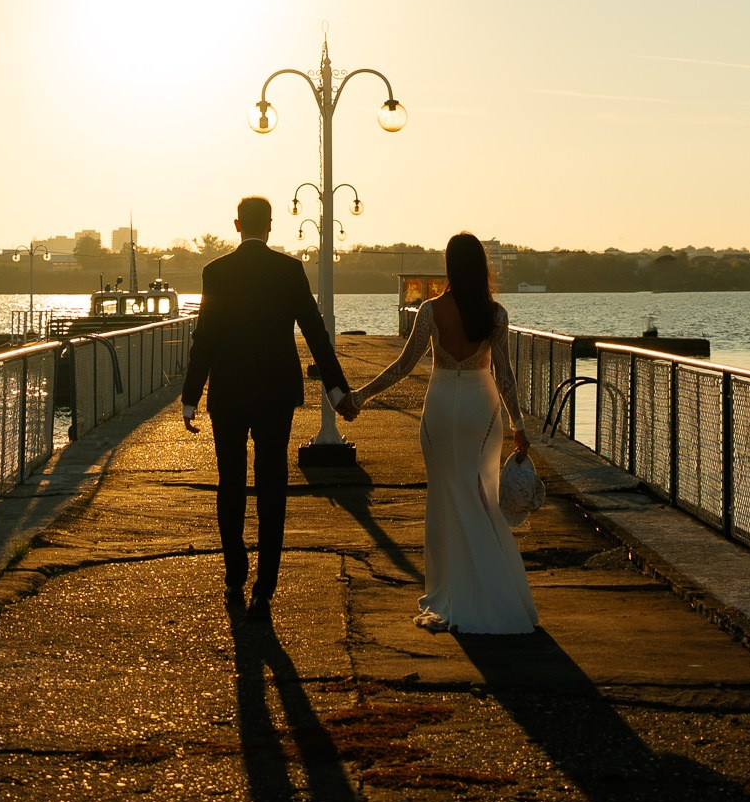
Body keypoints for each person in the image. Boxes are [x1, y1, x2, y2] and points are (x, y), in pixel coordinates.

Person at [344, 230, 537, 635]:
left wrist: (360, 396)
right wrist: (518, 425)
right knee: (481, 497)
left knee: (446, 499)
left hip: (441, 405)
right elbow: (504, 376)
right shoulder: (495, 314)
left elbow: (403, 366)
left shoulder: (431, 311)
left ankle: (451, 593)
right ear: (481, 267)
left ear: (449, 266)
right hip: (480, 411)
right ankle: (494, 592)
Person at [181, 197, 355, 622]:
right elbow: (316, 332)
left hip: (229, 393)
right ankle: (265, 588)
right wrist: (337, 391)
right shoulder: (289, 271)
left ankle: (234, 575)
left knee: (231, 483)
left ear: (238, 224)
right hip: (277, 393)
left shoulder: (216, 272)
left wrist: (191, 395)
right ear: (271, 226)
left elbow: (205, 338)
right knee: (273, 487)